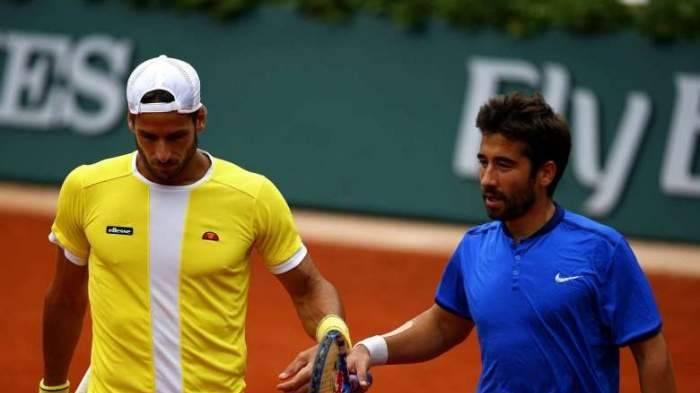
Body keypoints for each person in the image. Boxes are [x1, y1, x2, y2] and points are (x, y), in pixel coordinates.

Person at [39, 54, 351, 393]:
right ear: (130, 122)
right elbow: (65, 299)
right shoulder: (86, 188)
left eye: (175, 137)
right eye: (148, 137)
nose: (161, 153)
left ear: (199, 119)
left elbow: (308, 288)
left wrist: (333, 333)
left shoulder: (252, 196)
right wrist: (53, 387)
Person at [345, 92, 677, 392]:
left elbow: (651, 352)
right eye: (483, 162)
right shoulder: (474, 247)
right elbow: (444, 324)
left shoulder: (602, 250)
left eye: (504, 165)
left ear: (545, 173)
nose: (488, 179)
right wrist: (368, 349)